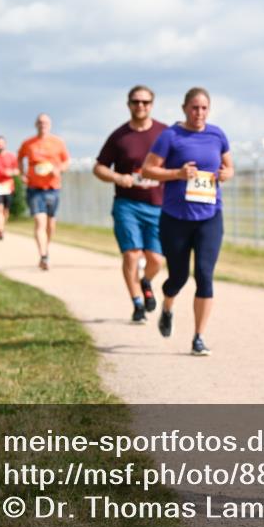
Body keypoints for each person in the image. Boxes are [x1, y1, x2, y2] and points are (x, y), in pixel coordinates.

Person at [142, 87, 232, 356]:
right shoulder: (170, 136)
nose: (199, 113)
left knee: (205, 276)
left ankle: (198, 337)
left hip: (210, 216)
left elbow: (229, 167)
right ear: (184, 108)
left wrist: (226, 174)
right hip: (176, 218)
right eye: (194, 108)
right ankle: (167, 305)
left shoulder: (217, 135)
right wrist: (177, 174)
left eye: (204, 108)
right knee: (178, 277)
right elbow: (148, 169)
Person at [94, 85, 168, 323]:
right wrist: (117, 177)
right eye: (136, 102)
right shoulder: (120, 136)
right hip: (128, 204)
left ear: (152, 105)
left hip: (158, 205)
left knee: (156, 259)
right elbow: (99, 167)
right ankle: (137, 304)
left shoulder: (164, 133)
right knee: (132, 256)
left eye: (145, 102)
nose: (140, 106)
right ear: (128, 104)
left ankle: (145, 281)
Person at [18, 113, 70, 270]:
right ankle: (43, 255)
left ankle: (46, 249)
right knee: (39, 221)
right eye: (40, 122)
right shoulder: (28, 143)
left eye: (45, 122)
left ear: (50, 125)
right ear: (36, 125)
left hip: (53, 188)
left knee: (50, 225)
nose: (43, 125)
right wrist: (22, 174)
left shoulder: (58, 142)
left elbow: (66, 161)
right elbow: (20, 158)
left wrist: (59, 169)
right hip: (35, 188)